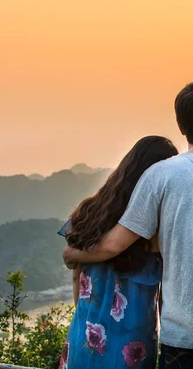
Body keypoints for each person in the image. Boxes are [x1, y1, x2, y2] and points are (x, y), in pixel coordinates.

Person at [63, 81, 193, 369]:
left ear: (180, 125)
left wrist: (73, 254)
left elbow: (114, 245)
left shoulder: (158, 176)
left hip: (185, 337)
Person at [57, 135, 179, 369]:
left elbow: (76, 276)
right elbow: (166, 296)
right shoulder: (156, 229)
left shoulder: (89, 212)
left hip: (85, 336)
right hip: (132, 349)